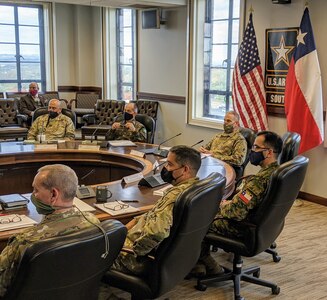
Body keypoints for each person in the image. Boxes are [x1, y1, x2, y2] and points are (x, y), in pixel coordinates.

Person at [0, 164, 100, 297]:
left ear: (53, 194)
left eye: (36, 190)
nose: (33, 195)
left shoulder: (25, 240)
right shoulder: (93, 222)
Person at [193, 131, 283, 277]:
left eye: (255, 148)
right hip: (263, 228)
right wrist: (232, 202)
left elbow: (236, 213)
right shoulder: (278, 172)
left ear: (269, 152)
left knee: (199, 217)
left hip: (243, 228)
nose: (252, 151)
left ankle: (207, 263)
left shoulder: (258, 181)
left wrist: (221, 205)